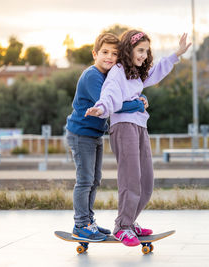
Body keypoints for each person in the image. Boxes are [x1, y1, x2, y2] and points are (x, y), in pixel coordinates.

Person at [85, 30, 191, 246]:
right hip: (123, 127)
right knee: (131, 179)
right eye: (140, 50)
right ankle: (122, 226)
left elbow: (157, 71)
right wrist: (101, 108)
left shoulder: (135, 73)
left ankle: (130, 221)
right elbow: (110, 94)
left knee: (146, 182)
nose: (143, 55)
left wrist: (177, 53)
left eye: (146, 51)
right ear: (129, 49)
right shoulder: (118, 71)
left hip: (139, 126)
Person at [66, 32, 149, 242]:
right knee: (85, 181)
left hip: (94, 135)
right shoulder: (93, 75)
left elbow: (124, 95)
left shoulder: (109, 76)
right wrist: (139, 104)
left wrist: (140, 97)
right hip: (80, 134)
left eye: (114, 53)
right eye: (104, 52)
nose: (109, 57)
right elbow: (113, 105)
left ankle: (89, 222)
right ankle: (81, 224)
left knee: (94, 180)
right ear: (95, 53)